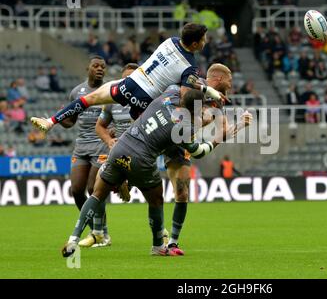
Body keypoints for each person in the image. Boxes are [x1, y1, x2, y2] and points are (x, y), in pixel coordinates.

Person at [61, 88, 252, 258]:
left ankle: (73, 239)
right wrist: (219, 138)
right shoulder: (183, 128)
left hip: (120, 148)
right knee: (156, 200)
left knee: (97, 194)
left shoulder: (167, 95)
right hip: (142, 160)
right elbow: (198, 152)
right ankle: (158, 246)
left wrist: (206, 92)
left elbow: (182, 86)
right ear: (195, 109)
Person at [31, 23, 226, 134]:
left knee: (88, 100)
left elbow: (188, 78)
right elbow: (185, 94)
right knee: (138, 139)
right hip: (144, 100)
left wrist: (205, 88)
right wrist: (208, 94)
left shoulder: (171, 41)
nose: (205, 41)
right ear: (194, 43)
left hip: (129, 84)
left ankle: (50, 122)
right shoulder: (190, 65)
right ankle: (122, 176)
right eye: (203, 39)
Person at [162, 63, 238, 255]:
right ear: (219, 78)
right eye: (229, 79)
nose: (231, 83)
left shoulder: (219, 102)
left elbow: (222, 131)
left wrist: (238, 127)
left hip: (183, 143)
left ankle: (172, 242)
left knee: (182, 192)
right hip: (165, 130)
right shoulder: (196, 84)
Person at [77, 63, 138, 248]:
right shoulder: (113, 102)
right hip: (117, 151)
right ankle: (99, 234)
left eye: (134, 78)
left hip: (141, 152)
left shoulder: (148, 100)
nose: (130, 82)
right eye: (127, 79)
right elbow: (99, 127)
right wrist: (109, 140)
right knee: (97, 186)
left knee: (153, 194)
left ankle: (162, 235)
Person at [61, 56, 111, 247]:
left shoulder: (109, 91)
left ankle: (102, 233)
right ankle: (96, 231)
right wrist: (58, 118)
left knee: (93, 189)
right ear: (87, 68)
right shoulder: (77, 92)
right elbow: (70, 121)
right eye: (96, 66)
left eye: (103, 67)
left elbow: (115, 116)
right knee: (76, 191)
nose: (100, 69)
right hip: (81, 146)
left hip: (101, 144)